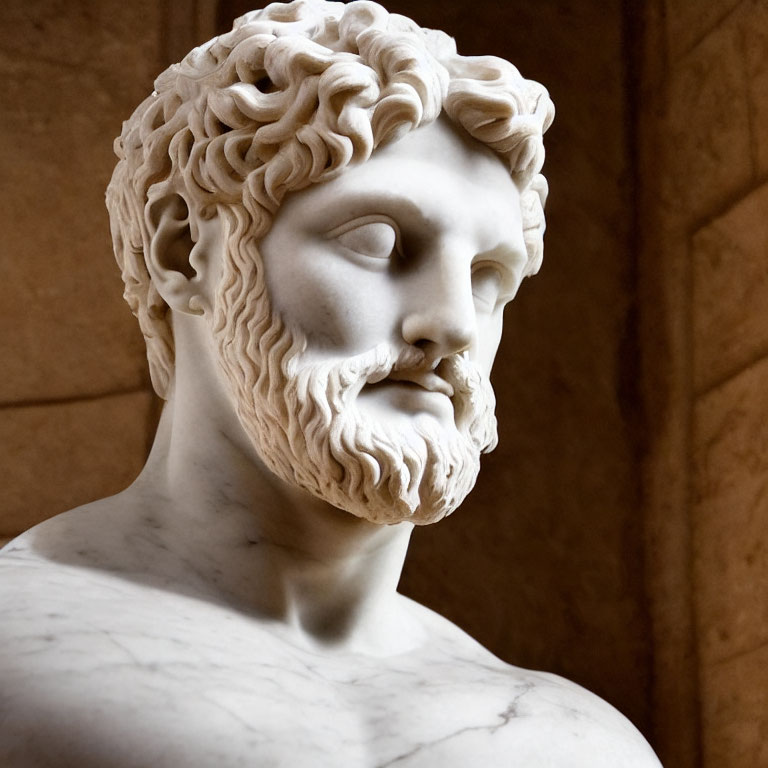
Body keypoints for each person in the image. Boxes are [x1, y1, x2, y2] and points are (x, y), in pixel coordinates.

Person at [0, 2, 662, 765]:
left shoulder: (577, 744)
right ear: (184, 250)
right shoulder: (20, 665)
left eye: (487, 276)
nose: (451, 324)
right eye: (377, 243)